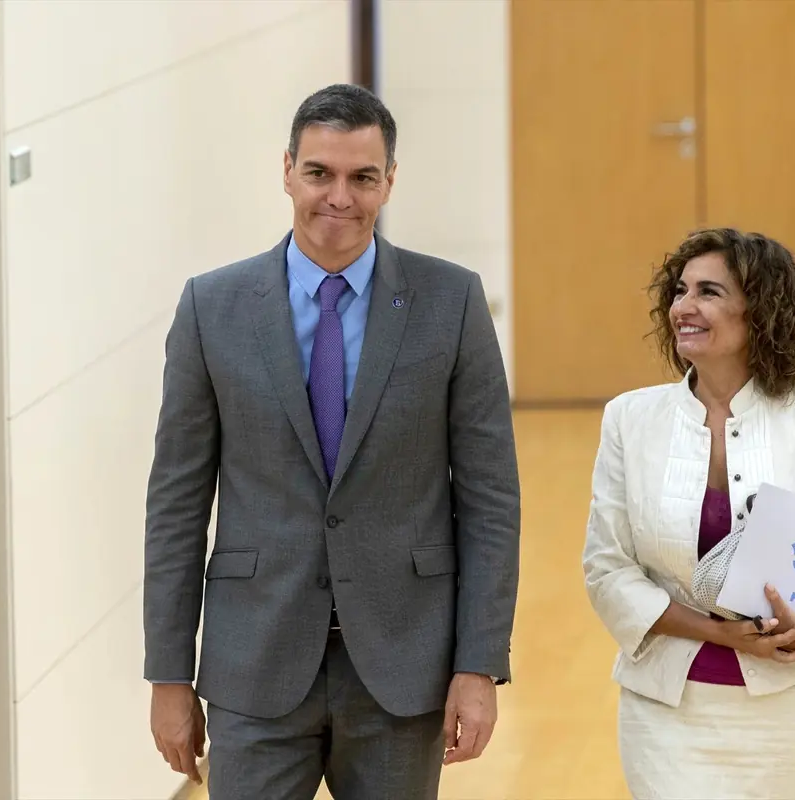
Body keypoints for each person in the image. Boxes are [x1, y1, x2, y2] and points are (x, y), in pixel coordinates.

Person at [142, 83, 521, 799]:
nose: (338, 197)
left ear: (390, 181)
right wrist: (168, 673)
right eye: (319, 173)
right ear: (287, 170)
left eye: (362, 177)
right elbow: (176, 507)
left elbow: (491, 501)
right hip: (253, 663)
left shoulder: (453, 302)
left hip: (402, 668)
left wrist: (478, 664)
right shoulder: (211, 308)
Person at [581, 227, 795, 799]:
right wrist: (722, 634)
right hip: (666, 714)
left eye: (709, 292)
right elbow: (606, 568)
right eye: (680, 290)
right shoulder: (628, 420)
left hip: (793, 719)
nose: (683, 307)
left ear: (758, 313)